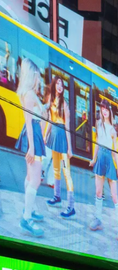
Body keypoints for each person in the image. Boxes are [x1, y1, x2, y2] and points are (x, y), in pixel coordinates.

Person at [16, 58, 46, 238]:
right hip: (32, 135)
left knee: (30, 176)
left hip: (35, 135)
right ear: (33, 76)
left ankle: (30, 209)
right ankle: (26, 218)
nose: (40, 79)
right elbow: (28, 123)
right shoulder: (29, 95)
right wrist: (32, 148)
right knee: (36, 179)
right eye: (38, 76)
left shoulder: (30, 94)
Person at [88, 99, 118, 240]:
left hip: (109, 159)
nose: (104, 111)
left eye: (106, 108)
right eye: (102, 108)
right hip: (100, 159)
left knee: (114, 195)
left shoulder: (112, 130)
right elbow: (97, 143)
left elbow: (115, 151)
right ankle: (98, 219)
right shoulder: (98, 124)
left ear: (109, 111)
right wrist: (93, 158)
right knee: (98, 191)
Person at [45, 75, 76, 219]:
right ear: (54, 85)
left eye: (62, 85)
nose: (59, 86)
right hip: (54, 138)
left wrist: (70, 148)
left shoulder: (65, 104)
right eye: (58, 83)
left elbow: (68, 127)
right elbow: (50, 120)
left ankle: (71, 207)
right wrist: (46, 135)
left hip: (63, 139)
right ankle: (57, 197)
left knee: (66, 173)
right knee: (56, 169)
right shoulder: (52, 100)